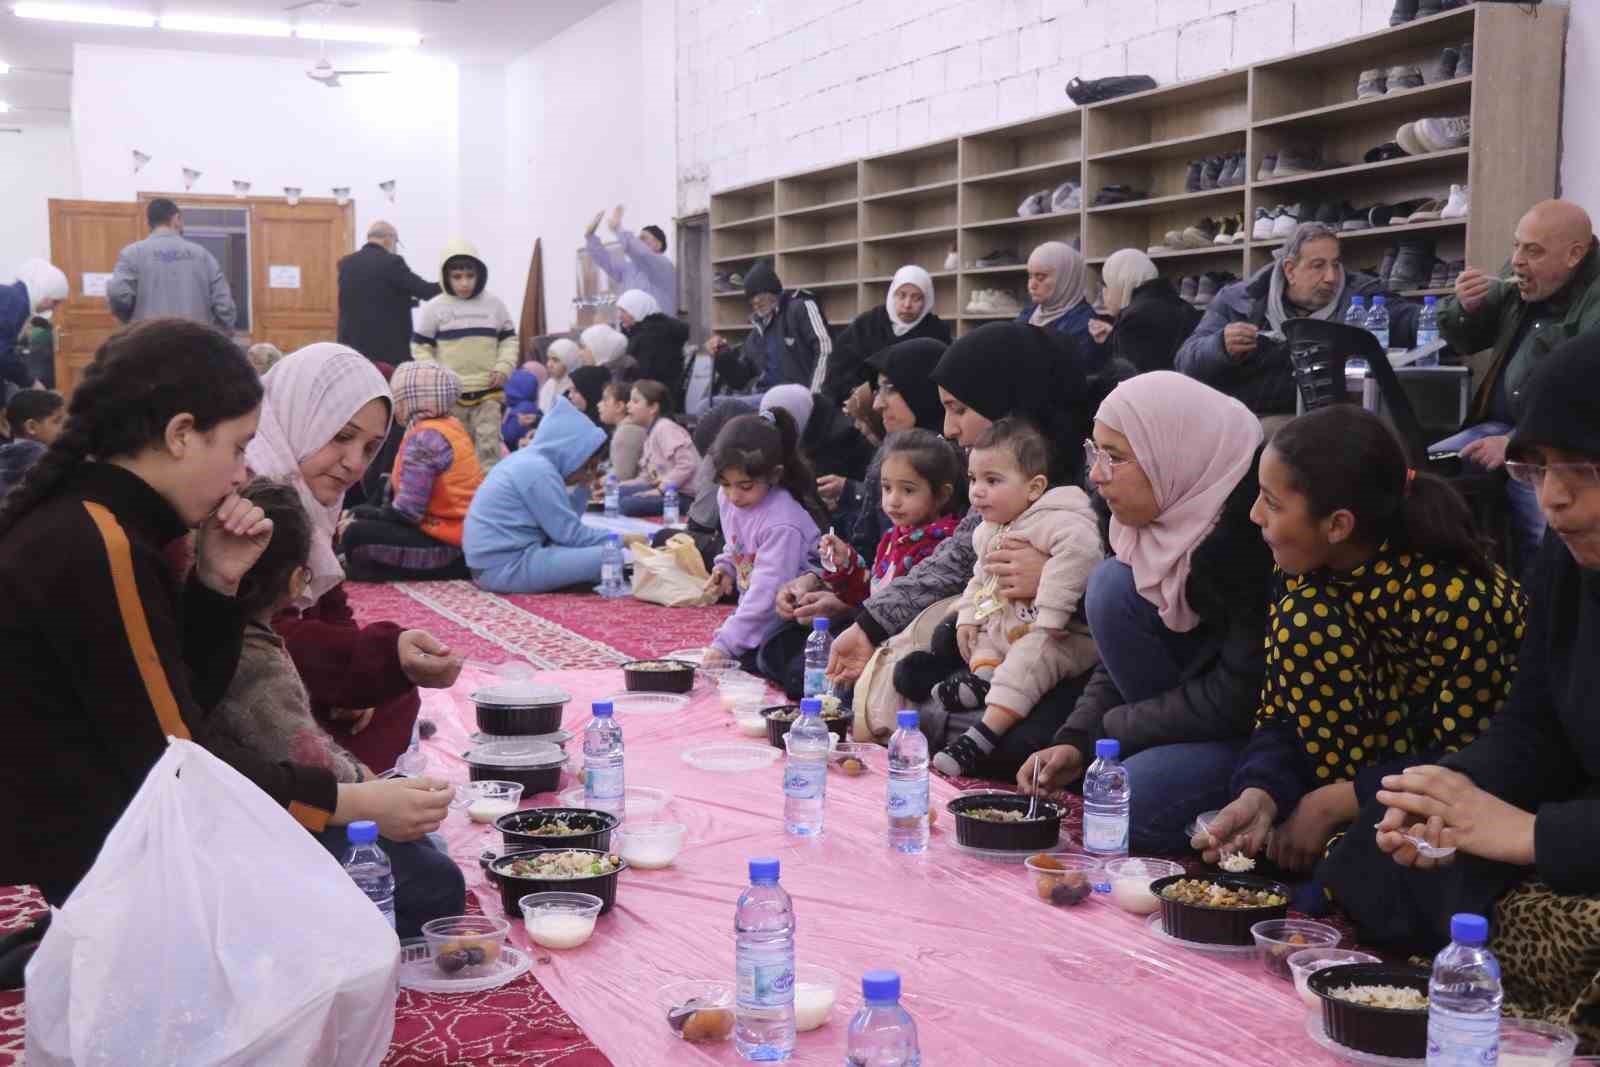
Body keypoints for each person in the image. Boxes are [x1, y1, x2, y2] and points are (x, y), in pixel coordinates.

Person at [0, 320, 451, 969]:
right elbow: (177, 764)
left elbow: (182, 705)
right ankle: (100, 938)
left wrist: (216, 582)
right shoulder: (98, 544)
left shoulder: (109, 524)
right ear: (182, 434)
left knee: (400, 871)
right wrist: (353, 802)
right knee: (415, 886)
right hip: (117, 847)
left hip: (124, 828)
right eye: (239, 447)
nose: (244, 472)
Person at [1315, 337, 1600, 1052]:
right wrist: (1447, 793)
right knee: (1393, 829)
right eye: (1539, 467)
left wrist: (1532, 833)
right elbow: (1534, 726)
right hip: (1576, 819)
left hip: (1575, 832)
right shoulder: (1569, 566)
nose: (1554, 496)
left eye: (1585, 468)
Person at [1195, 404, 1523, 888]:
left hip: (1454, 804)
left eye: (1272, 502)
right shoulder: (1306, 571)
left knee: (1374, 877)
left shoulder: (1457, 597)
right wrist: (1261, 791)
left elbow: (1469, 759)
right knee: (1172, 807)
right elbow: (1284, 714)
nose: (1254, 514)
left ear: (1338, 525)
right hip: (1351, 779)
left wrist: (1338, 801)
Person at [1016, 371, 1270, 852]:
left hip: (1255, 744)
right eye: (1095, 453)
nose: (1095, 474)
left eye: (1114, 457)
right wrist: (1075, 739)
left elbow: (1236, 699)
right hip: (1174, 723)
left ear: (1175, 455)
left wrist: (1112, 729)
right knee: (1112, 585)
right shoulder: (1147, 529)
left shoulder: (1253, 541)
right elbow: (1117, 666)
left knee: (1128, 805)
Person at [203, 478, 464, 938]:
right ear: (298, 580)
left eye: (367, 446)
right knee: (435, 882)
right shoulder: (248, 654)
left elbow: (337, 638)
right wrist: (370, 795)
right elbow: (298, 753)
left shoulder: (228, 626)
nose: (352, 463)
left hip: (278, 796)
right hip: (253, 823)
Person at [823, 323, 1103, 692]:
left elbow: (1133, 587)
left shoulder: (1098, 471)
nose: (949, 429)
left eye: (959, 409)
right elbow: (957, 556)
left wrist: (1057, 576)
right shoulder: (994, 472)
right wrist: (867, 626)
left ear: (1006, 400)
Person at [248, 343, 466, 774]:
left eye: (369, 449)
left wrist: (354, 685)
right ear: (299, 417)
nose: (353, 464)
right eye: (342, 437)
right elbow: (264, 639)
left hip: (293, 680)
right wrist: (377, 656)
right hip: (247, 696)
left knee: (392, 697)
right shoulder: (254, 503)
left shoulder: (311, 505)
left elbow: (330, 606)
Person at [923, 418, 1102, 778]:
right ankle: (982, 677)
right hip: (1012, 623)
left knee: (1030, 657)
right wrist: (969, 617)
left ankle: (982, 736)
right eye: (973, 480)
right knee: (980, 638)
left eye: (993, 481)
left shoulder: (1060, 519)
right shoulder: (990, 528)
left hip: (1061, 635)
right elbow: (981, 578)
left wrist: (1050, 616)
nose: (977, 492)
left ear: (1035, 487)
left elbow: (1080, 556)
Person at [1433, 199, 1600, 576]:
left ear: (1574, 255)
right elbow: (1464, 339)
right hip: (1491, 429)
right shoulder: (1521, 275)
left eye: (1533, 250)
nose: (1518, 260)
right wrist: (1466, 307)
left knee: (1546, 533)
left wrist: (1518, 442)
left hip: (1554, 446)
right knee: (1419, 479)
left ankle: (1534, 616)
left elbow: (1585, 398)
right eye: (1516, 245)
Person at [1175, 221, 1417, 421]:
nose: (1332, 277)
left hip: (1333, 425)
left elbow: (1409, 319)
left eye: (1335, 264)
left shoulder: (1362, 297)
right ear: (1290, 270)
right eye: (1318, 266)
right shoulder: (1238, 300)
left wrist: (1451, 309)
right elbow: (1186, 361)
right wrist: (1219, 346)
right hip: (1248, 420)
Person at [465, 396, 646, 594]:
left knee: (596, 553)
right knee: (609, 556)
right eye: (589, 465)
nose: (589, 472)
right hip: (506, 568)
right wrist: (625, 539)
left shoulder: (533, 461)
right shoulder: (538, 471)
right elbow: (572, 536)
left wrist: (584, 485)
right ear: (573, 452)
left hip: (496, 564)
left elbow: (565, 525)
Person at [702, 409, 826, 670]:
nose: (734, 495)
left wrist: (725, 644)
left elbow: (767, 594)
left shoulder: (783, 522)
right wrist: (725, 566)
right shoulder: (727, 498)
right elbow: (736, 541)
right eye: (725, 484)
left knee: (768, 661)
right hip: (760, 603)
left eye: (745, 486)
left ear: (774, 475)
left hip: (795, 614)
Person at [340, 361, 482, 582]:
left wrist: (359, 515)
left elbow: (407, 513)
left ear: (411, 399)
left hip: (447, 545)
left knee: (355, 535)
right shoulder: (449, 424)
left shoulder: (426, 438)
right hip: (461, 537)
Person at [818, 429, 963, 607]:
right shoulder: (892, 537)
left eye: (908, 490)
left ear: (941, 495)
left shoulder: (945, 545)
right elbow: (870, 599)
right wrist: (846, 561)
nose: (893, 501)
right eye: (887, 488)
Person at [411, 239, 518, 472]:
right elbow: (420, 346)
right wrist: (436, 373)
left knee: (489, 449)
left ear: (479, 275)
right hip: (452, 395)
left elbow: (509, 339)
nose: (464, 283)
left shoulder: (495, 305)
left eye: (470, 276)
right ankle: (460, 502)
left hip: (489, 391)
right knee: (456, 451)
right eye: (457, 277)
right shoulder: (435, 308)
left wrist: (504, 367)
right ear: (445, 276)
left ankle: (487, 502)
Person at [821, 265, 951, 405]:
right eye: (901, 295)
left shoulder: (936, 332)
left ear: (927, 300)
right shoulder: (867, 325)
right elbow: (839, 369)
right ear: (892, 294)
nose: (907, 304)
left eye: (916, 298)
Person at [107, 198, 236, 332]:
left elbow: (118, 294)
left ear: (149, 223)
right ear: (176, 219)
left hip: (146, 341)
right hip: (197, 342)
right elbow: (224, 306)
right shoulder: (203, 255)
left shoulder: (131, 254)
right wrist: (221, 334)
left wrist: (130, 322)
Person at [706, 260, 833, 393]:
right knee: (706, 406)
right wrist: (722, 356)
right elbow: (740, 380)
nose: (755, 300)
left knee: (726, 408)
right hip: (765, 397)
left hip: (797, 396)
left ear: (773, 291)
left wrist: (815, 395)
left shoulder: (800, 307)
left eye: (760, 295)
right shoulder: (756, 334)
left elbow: (825, 348)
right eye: (751, 297)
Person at [336, 221, 442, 365]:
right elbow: (424, 290)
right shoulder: (392, 262)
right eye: (396, 242)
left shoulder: (346, 263)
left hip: (351, 346)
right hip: (386, 349)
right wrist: (449, 282)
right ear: (388, 239)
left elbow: (367, 297)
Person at [1087, 250, 1201, 373]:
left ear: (1120, 282)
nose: (1104, 293)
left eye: (1106, 284)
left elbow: (1131, 376)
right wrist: (1113, 336)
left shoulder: (1135, 320)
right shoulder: (1183, 306)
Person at [615, 379, 701, 518]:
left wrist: (661, 490)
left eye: (635, 401)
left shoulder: (665, 428)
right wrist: (618, 486)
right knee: (617, 494)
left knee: (627, 504)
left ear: (653, 408)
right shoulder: (651, 432)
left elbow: (687, 464)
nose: (628, 405)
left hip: (684, 496)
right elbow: (647, 477)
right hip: (666, 491)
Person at [585, 204, 677, 315]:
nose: (638, 241)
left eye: (643, 238)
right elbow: (605, 260)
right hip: (632, 329)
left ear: (658, 245)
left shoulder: (663, 265)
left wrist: (618, 229)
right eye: (638, 239)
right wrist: (590, 237)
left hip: (657, 329)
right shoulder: (629, 269)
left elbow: (642, 253)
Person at [1019, 241, 1094, 360]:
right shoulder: (1027, 314)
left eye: (1040, 277)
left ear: (1066, 278)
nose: (1031, 285)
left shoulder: (1086, 324)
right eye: (1030, 276)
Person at [1, 260, 67, 393]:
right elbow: (2, 354)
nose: (53, 308)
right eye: (55, 303)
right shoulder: (16, 304)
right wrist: (30, 382)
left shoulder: (9, 296)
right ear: (47, 297)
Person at [617, 289, 691, 407]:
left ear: (637, 310)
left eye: (624, 311)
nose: (619, 316)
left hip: (654, 398)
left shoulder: (651, 336)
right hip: (658, 394)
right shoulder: (649, 331)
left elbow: (644, 373)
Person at [0, 388, 65, 495]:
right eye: (57, 421)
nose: (63, 427)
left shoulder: (5, 457)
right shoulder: (42, 459)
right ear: (31, 427)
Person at [500, 365, 543, 453]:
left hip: (517, 449)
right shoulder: (523, 405)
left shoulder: (523, 409)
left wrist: (499, 429)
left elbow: (509, 435)